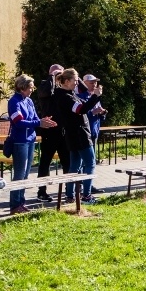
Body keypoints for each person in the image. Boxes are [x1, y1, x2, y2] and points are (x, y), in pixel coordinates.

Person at [8, 74, 57, 214]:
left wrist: (44, 121)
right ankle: (14, 205)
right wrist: (38, 123)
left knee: (26, 174)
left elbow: (35, 118)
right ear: (22, 87)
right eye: (30, 87)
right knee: (19, 173)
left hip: (31, 140)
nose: (32, 89)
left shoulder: (28, 101)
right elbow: (18, 122)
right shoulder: (14, 101)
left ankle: (21, 202)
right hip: (20, 141)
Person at [53, 68, 103, 203]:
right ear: (67, 81)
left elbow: (83, 106)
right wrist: (95, 96)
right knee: (90, 163)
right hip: (79, 135)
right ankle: (86, 196)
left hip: (74, 135)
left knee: (74, 166)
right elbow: (82, 110)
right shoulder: (65, 97)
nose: (77, 83)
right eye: (75, 80)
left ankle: (70, 196)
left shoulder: (69, 94)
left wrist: (92, 95)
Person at [36, 64, 70, 203]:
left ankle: (69, 190)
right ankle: (41, 191)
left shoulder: (62, 88)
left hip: (62, 130)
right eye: (57, 74)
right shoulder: (45, 85)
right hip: (49, 130)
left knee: (67, 161)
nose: (59, 76)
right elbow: (46, 93)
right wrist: (51, 77)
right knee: (45, 161)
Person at [78, 73, 107, 192]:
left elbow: (98, 114)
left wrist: (102, 113)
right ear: (84, 83)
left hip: (94, 131)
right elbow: (82, 113)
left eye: (96, 82)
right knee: (83, 161)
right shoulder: (80, 96)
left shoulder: (96, 96)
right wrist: (93, 112)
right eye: (92, 82)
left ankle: (88, 185)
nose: (94, 84)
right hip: (85, 132)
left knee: (91, 160)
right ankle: (80, 186)